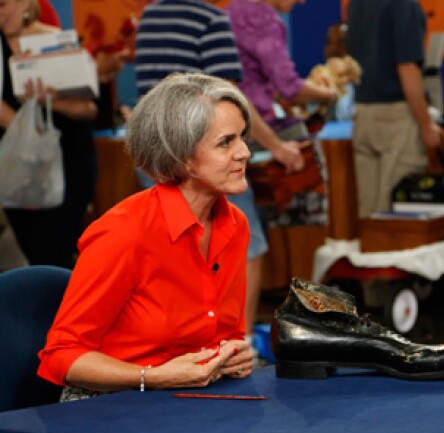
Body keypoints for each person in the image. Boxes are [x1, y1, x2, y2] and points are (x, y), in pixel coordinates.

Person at [38, 73, 254, 401]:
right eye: (226, 142)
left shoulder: (235, 224)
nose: (244, 152)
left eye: (242, 137)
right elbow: (62, 355)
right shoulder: (124, 232)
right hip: (109, 403)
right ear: (182, 157)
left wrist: (230, 356)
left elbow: (225, 334)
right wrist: (152, 377)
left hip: (189, 397)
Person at [135, 0, 304, 346]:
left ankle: (193, 346)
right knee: (248, 243)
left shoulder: (150, 15)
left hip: (155, 150)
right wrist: (275, 146)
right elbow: (228, 103)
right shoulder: (211, 19)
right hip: (200, 154)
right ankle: (237, 346)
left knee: (174, 251)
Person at [0, 0, 99, 269]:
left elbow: (89, 109)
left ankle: (61, 308)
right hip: (20, 171)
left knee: (54, 255)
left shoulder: (55, 41)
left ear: (24, 3)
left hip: (70, 163)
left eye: (2, 5)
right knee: (34, 254)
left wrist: (48, 101)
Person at [346, 0, 444, 218]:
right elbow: (407, 68)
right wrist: (426, 124)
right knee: (397, 215)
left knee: (369, 213)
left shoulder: (356, 4)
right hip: (396, 119)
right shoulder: (404, 5)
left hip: (362, 114)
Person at [225, 0, 337, 139]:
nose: (301, 2)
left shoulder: (231, 9)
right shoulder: (265, 20)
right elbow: (289, 87)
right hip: (253, 129)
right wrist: (330, 94)